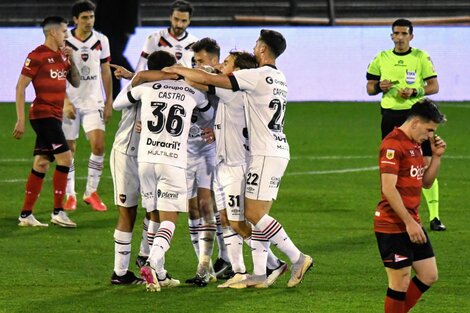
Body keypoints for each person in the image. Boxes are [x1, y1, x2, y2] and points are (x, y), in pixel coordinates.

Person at [163, 29, 313, 288]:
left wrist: (180, 69)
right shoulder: (278, 77)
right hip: (267, 150)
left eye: (257, 44)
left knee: (252, 214)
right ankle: (260, 272)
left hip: (263, 152)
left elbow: (210, 81)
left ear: (263, 49)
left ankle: (296, 257)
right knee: (251, 216)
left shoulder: (255, 76)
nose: (254, 47)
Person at [113, 50, 214, 292]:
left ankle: (159, 273)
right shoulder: (192, 91)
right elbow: (209, 114)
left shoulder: (146, 89)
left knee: (154, 216)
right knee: (169, 220)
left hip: (145, 161)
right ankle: (151, 260)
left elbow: (118, 104)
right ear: (173, 68)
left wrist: (137, 79)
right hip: (173, 161)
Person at [204, 51, 288, 288]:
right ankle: (248, 268)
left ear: (238, 70)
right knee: (225, 219)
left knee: (241, 222)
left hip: (237, 166)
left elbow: (201, 81)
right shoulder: (238, 91)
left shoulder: (233, 90)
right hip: (223, 163)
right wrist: (217, 132)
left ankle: (271, 263)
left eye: (226, 63)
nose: (221, 65)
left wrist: (178, 69)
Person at [366, 18, 445, 231]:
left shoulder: (420, 57)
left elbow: (434, 86)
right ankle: (398, 214)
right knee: (394, 167)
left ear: (411, 36)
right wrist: (379, 87)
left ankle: (435, 217)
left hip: (417, 118)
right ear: (391, 35)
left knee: (425, 164)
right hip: (391, 117)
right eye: (396, 34)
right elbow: (369, 87)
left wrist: (415, 91)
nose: (399, 37)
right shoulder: (381, 58)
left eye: (403, 34)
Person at [109, 55, 181, 285]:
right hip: (127, 155)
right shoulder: (139, 85)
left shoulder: (170, 89)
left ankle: (145, 258)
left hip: (152, 155)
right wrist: (135, 79)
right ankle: (120, 273)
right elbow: (117, 104)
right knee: (127, 212)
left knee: (156, 211)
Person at [374, 99, 446, 313]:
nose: (430, 135)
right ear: (415, 122)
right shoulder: (392, 144)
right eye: (429, 129)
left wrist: (436, 158)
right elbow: (388, 189)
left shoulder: (415, 144)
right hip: (392, 224)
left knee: (429, 274)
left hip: (411, 222)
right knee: (400, 282)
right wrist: (409, 223)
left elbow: (426, 182)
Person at [14, 16, 80, 228]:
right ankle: (58, 211)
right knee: (65, 159)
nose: (67, 35)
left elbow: (76, 82)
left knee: (42, 163)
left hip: (54, 116)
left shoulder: (62, 55)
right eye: (64, 31)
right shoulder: (36, 56)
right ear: (53, 32)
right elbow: (20, 87)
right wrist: (20, 120)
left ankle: (26, 215)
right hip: (43, 115)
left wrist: (72, 60)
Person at [185, 37, 231, 286]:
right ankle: (209, 264)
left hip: (210, 151)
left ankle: (216, 263)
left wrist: (218, 129)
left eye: (200, 60)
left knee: (208, 206)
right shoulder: (190, 77)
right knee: (192, 209)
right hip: (184, 150)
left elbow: (238, 111)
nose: (196, 64)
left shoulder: (224, 82)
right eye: (194, 60)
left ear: (214, 60)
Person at [60, 0, 112, 212]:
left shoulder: (101, 40)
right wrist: (64, 100)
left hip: (93, 102)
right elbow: (55, 74)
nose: (89, 21)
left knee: (98, 146)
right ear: (75, 19)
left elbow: (106, 71)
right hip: (69, 103)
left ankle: (91, 192)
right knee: (69, 149)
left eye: (91, 17)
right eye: (84, 17)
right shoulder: (64, 41)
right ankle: (69, 195)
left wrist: (109, 101)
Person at [135, 0, 197, 71]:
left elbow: (199, 71)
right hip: (159, 81)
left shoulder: (195, 43)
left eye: (184, 21)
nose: (179, 24)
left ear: (189, 21)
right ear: (170, 17)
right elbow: (140, 67)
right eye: (176, 19)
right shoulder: (155, 38)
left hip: (185, 82)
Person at [95, 0, 139, 98]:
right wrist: (97, 23)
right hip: (106, 26)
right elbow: (101, 3)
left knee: (114, 56)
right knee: (111, 60)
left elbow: (132, 5)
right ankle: (115, 95)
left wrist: (129, 27)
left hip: (121, 28)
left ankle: (137, 78)